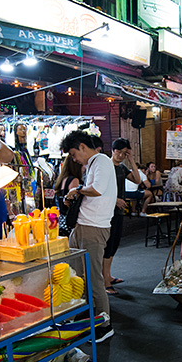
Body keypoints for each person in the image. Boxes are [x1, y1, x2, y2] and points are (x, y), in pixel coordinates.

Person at [61, 130, 117, 340]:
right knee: (77, 277)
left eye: (74, 154)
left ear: (83, 147)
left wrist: (77, 191)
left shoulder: (101, 160)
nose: (74, 159)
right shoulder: (94, 164)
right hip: (84, 226)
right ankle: (84, 317)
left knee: (93, 279)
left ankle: (104, 325)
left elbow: (97, 189)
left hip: (93, 228)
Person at [103, 138, 142, 295]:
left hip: (119, 211)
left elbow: (138, 180)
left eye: (123, 153)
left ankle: (108, 275)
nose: (120, 155)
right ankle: (105, 281)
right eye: (118, 152)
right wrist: (114, 200)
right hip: (107, 211)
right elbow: (100, 190)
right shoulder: (106, 167)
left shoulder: (122, 168)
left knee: (115, 244)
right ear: (112, 151)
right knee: (108, 244)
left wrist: (132, 159)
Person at [54, 154, 83, 237]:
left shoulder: (62, 179)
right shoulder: (74, 180)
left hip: (61, 220)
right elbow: (73, 203)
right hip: (69, 221)